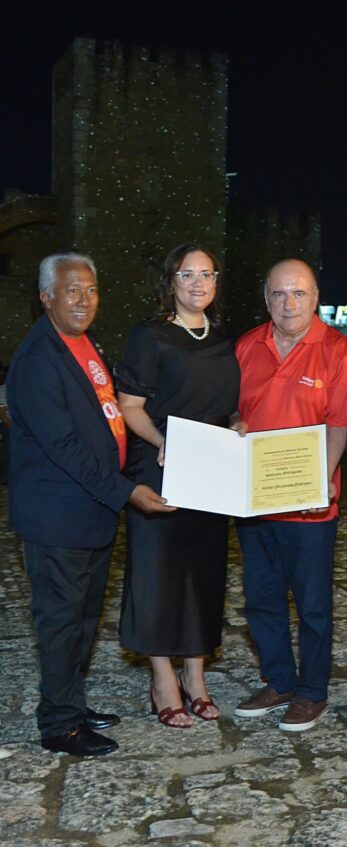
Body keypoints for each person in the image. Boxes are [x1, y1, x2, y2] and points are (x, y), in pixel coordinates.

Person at [7, 253, 173, 756]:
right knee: (61, 621)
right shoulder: (39, 359)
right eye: (71, 291)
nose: (84, 300)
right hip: (59, 516)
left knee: (82, 619)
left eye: (91, 290)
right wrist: (126, 492)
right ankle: (60, 725)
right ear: (46, 298)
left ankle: (71, 705)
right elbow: (64, 448)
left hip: (89, 511)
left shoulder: (80, 344)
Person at [232, 259, 347, 732]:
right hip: (255, 499)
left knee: (312, 603)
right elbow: (234, 412)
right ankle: (279, 679)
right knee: (260, 597)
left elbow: (339, 425)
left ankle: (312, 691)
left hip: (308, 504)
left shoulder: (337, 350)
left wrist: (317, 482)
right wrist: (234, 425)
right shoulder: (246, 346)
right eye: (280, 294)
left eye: (299, 294)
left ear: (316, 297)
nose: (289, 303)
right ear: (267, 299)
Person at [116, 243, 241, 728]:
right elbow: (130, 406)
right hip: (162, 462)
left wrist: (240, 423)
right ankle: (162, 679)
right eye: (187, 275)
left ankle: (196, 676)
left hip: (212, 467)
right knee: (158, 570)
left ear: (215, 282)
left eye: (206, 275)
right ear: (171, 281)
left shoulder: (225, 336)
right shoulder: (149, 336)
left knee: (203, 570)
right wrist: (162, 438)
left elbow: (231, 403)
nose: (197, 284)